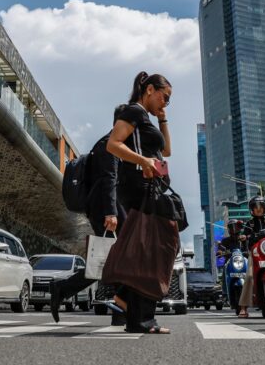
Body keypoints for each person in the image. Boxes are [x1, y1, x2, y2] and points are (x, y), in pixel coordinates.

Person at [106, 71, 173, 334]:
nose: (165, 102)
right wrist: (144, 161)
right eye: (164, 97)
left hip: (150, 187)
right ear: (150, 90)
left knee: (149, 250)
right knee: (156, 247)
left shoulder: (147, 118)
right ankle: (140, 316)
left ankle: (132, 308)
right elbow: (113, 144)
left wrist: (163, 119)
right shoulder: (133, 111)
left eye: (168, 100)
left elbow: (166, 151)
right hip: (138, 187)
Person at [48, 121, 128, 324]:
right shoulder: (109, 145)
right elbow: (109, 178)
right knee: (117, 260)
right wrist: (111, 213)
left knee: (113, 261)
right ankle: (120, 312)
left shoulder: (111, 144)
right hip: (105, 211)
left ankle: (120, 312)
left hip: (104, 210)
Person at [236, 195, 265, 318]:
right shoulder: (249, 224)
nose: (259, 209)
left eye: (261, 206)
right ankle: (243, 306)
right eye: (256, 207)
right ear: (252, 209)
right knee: (250, 275)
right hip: (256, 253)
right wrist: (243, 237)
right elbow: (244, 235)